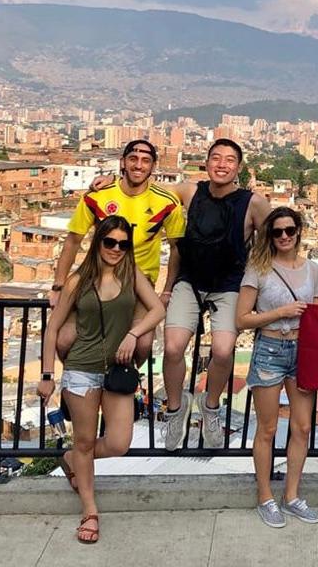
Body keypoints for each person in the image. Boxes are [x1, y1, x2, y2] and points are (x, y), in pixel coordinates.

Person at [37, 216, 166, 544]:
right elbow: (53, 328)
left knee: (119, 442)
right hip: (81, 369)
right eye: (111, 242)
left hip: (116, 371)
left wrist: (133, 334)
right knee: (83, 440)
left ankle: (71, 461)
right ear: (99, 242)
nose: (117, 249)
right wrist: (48, 375)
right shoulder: (78, 281)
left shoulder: (130, 274)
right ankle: (90, 511)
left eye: (124, 244)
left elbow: (157, 310)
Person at [159, 139, 271, 450]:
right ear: (206, 163)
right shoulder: (190, 192)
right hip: (189, 280)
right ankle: (174, 408)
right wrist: (110, 183)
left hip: (230, 284)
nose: (222, 164)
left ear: (238, 167)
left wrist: (262, 285)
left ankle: (210, 407)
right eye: (216, 158)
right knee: (172, 347)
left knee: (223, 351)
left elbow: (274, 241)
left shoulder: (253, 203)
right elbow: (147, 191)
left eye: (230, 160)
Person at [53, 139, 184, 363]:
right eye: (133, 159)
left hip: (139, 282)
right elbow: (73, 241)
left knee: (143, 345)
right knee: (64, 339)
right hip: (97, 277)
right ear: (122, 162)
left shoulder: (167, 202)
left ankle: (125, 382)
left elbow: (176, 249)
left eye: (145, 161)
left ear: (153, 166)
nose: (139, 166)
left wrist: (167, 290)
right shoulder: (97, 196)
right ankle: (79, 377)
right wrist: (59, 285)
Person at [234, 207, 318, 528]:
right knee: (268, 429)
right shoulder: (257, 268)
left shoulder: (313, 269)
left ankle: (292, 495)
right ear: (269, 236)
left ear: (299, 232)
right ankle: (265, 496)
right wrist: (281, 311)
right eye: (277, 232)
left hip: (303, 351)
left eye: (289, 230)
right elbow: (242, 319)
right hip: (270, 347)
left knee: (301, 427)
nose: (284, 236)